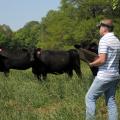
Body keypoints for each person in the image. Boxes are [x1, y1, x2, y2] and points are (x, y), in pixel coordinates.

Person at [85, 19, 120, 120]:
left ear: (104, 28)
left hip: (104, 76)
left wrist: (92, 64)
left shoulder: (104, 40)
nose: (99, 30)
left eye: (99, 27)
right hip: (115, 75)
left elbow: (102, 60)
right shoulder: (116, 40)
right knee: (111, 101)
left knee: (89, 98)